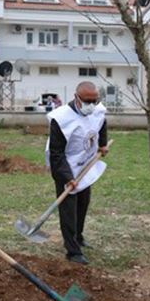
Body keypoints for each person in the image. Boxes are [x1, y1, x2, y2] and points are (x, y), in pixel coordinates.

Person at [47, 82, 108, 265]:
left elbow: (102, 123)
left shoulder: (97, 110)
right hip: (65, 166)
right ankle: (72, 251)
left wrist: (102, 144)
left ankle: (78, 236)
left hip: (85, 164)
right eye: (87, 101)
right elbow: (56, 154)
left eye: (94, 101)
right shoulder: (60, 119)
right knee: (68, 211)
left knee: (83, 203)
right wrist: (68, 178)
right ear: (76, 97)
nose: (91, 104)